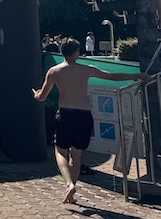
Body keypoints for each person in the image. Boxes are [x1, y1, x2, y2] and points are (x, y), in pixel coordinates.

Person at [33, 38, 150, 204]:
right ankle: (72, 190)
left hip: (65, 113)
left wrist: (36, 94)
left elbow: (42, 97)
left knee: (60, 151)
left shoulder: (54, 71)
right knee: (76, 154)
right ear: (76, 52)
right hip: (84, 115)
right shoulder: (86, 69)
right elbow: (113, 77)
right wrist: (137, 76)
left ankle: (69, 184)